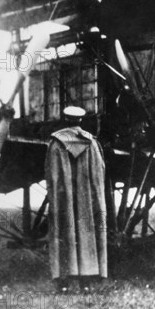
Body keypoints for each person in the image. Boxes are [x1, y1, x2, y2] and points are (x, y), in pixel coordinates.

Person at [46, 106, 107, 293]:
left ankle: (63, 282)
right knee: (87, 233)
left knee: (62, 234)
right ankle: (86, 282)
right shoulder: (92, 143)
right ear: (80, 121)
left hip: (64, 200)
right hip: (86, 200)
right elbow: (99, 174)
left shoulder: (56, 143)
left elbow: (51, 175)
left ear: (64, 120)